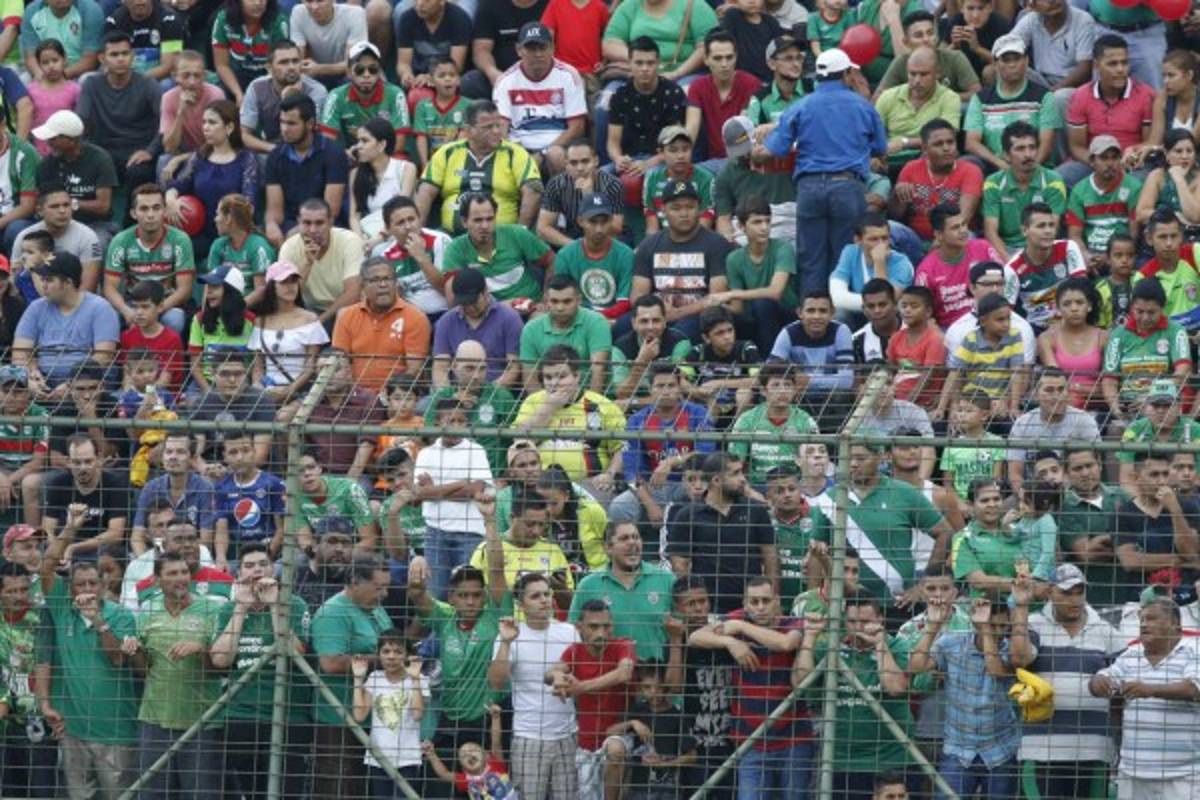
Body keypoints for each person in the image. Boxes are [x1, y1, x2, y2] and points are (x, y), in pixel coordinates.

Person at [763, 48, 888, 294]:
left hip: (809, 188)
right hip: (847, 187)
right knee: (847, 260)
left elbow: (777, 148)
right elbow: (880, 147)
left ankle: (812, 318)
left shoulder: (801, 105)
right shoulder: (862, 106)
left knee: (811, 262)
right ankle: (843, 324)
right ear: (846, 74)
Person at [407, 496, 512, 782]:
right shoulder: (444, 618)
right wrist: (416, 565)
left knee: (489, 790)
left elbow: (497, 569)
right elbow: (418, 595)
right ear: (452, 597)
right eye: (463, 595)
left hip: (487, 720)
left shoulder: (494, 615)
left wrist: (490, 520)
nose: (470, 601)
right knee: (443, 786)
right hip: (451, 719)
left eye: (476, 595)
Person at [36, 508, 138, 800]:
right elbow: (46, 567)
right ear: (69, 588)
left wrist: (98, 621)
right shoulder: (61, 609)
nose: (87, 590)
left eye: (93, 583)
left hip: (116, 731)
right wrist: (69, 529)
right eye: (80, 585)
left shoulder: (120, 616)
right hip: (74, 731)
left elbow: (117, 658)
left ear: (104, 584)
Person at [908, 580, 1038, 800]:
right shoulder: (952, 643)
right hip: (957, 749)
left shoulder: (1015, 650)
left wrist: (985, 629)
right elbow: (915, 666)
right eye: (992, 625)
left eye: (1001, 626)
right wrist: (933, 625)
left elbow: (996, 670)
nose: (997, 632)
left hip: (1001, 749)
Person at [689, 576, 808, 798]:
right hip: (751, 741)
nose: (760, 607)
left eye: (766, 600)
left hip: (793, 740)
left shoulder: (792, 623)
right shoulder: (737, 620)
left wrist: (741, 627)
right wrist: (731, 642)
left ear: (777, 601)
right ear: (745, 604)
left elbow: (785, 644)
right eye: (754, 602)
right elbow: (695, 637)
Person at [122, 548, 226, 800]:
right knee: (153, 793)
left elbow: (222, 666)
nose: (181, 578)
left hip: (202, 720)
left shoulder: (213, 611)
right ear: (157, 580)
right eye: (172, 573)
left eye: (184, 572)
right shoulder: (146, 611)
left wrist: (201, 649)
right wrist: (133, 652)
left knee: (202, 795)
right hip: (156, 719)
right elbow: (143, 671)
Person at [209, 544, 310, 800]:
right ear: (239, 573)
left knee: (287, 793)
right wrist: (241, 608)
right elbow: (221, 659)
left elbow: (293, 654)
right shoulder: (228, 609)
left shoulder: (294, 604)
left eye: (263, 564)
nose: (257, 570)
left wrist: (274, 606)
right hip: (242, 716)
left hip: (288, 715)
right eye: (250, 565)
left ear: (274, 569)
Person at [791, 592, 916, 800]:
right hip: (843, 760)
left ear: (880, 619)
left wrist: (880, 646)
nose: (858, 627)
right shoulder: (830, 648)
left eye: (865, 621)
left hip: (891, 757)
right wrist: (810, 637)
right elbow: (800, 684)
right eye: (851, 621)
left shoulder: (896, 645)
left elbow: (895, 688)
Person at [1023, 563, 1121, 800]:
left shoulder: (1107, 632)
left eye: (1080, 592)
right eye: (1066, 593)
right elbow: (1019, 658)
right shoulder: (1032, 625)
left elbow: (1124, 685)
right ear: (1049, 592)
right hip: (1042, 749)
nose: (1074, 599)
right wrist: (1020, 607)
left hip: (1093, 749)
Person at [1089, 598, 1200, 800]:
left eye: (1152, 618)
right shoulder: (1131, 655)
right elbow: (1106, 677)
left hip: (1184, 775)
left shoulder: (1194, 649)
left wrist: (1150, 690)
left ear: (1175, 623)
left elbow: (1194, 689)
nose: (1144, 624)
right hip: (1132, 773)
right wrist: (1098, 681)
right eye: (1141, 619)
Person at [310, 553, 393, 800]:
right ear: (355, 582)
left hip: (373, 718)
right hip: (339, 720)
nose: (385, 594)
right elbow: (331, 662)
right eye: (379, 587)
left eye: (387, 587)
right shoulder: (333, 613)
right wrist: (387, 661)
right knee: (340, 789)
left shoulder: (375, 609)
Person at [546, 598, 636, 800]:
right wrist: (558, 678)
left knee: (615, 751)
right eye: (594, 627)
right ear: (580, 627)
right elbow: (551, 672)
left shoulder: (623, 645)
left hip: (620, 734)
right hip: (585, 744)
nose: (601, 633)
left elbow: (624, 673)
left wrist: (581, 687)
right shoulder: (574, 651)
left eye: (606, 626)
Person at [666, 452, 779, 614]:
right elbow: (680, 566)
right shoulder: (687, 515)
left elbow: (771, 558)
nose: (743, 479)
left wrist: (771, 599)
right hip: (708, 609)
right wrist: (695, 606)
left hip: (752, 608)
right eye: (735, 473)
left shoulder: (755, 511)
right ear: (716, 481)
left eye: (742, 472)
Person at [415, 99, 543, 232]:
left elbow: (533, 190)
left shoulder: (515, 154)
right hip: (451, 236)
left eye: (498, 125)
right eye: (488, 127)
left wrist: (520, 232)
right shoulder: (447, 152)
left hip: (501, 238)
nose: (496, 131)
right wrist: (418, 232)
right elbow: (425, 191)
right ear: (468, 130)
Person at [630, 179, 733, 341]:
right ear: (663, 210)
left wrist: (678, 313)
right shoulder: (648, 245)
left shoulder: (717, 244)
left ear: (699, 209)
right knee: (622, 327)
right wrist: (658, 313)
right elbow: (638, 295)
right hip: (657, 315)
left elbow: (716, 297)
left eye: (690, 207)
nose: (684, 214)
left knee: (679, 334)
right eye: (676, 208)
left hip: (698, 315)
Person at [413, 399, 494, 599]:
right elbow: (419, 493)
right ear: (438, 423)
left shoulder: (476, 451)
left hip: (470, 532)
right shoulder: (426, 453)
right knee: (436, 593)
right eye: (451, 421)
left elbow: (475, 490)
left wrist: (434, 489)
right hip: (435, 532)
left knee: (467, 592)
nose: (456, 426)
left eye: (461, 421)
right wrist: (459, 484)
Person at [512, 344, 626, 486]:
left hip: (592, 485)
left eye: (561, 377)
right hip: (541, 486)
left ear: (577, 376)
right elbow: (520, 442)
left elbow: (622, 448)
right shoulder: (533, 402)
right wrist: (549, 408)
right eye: (548, 377)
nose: (554, 383)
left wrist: (609, 474)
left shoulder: (602, 405)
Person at [12, 252, 120, 392]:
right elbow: (19, 354)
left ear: (68, 282)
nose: (43, 285)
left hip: (86, 384)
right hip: (43, 380)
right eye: (43, 279)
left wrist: (71, 385)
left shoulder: (100, 308)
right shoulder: (36, 307)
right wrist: (31, 377)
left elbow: (103, 357)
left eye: (49, 280)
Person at [165, 101, 259, 251]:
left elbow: (249, 201)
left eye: (212, 122)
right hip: (199, 232)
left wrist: (226, 223)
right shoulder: (199, 157)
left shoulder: (246, 159)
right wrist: (171, 200)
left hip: (233, 233)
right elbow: (177, 186)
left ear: (229, 127)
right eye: (204, 122)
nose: (205, 127)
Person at [493, 22, 585, 173]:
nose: (538, 54)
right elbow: (501, 129)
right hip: (519, 147)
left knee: (555, 154)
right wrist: (521, 155)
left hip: (558, 146)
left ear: (552, 48)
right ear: (518, 50)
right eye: (531, 48)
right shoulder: (505, 81)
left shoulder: (569, 75)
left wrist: (543, 153)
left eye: (543, 48)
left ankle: (561, 195)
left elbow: (577, 127)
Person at [103, 183, 195, 334]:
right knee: (110, 317)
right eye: (144, 209)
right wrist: (127, 311)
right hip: (133, 304)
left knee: (174, 320)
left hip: (166, 304)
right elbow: (109, 288)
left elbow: (185, 289)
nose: (150, 214)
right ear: (133, 213)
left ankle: (167, 358)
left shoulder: (180, 240)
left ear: (164, 211)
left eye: (156, 208)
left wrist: (156, 311)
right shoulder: (121, 241)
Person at [331, 256, 431, 392]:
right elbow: (338, 364)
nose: (383, 285)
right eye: (375, 280)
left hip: (396, 396)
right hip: (354, 395)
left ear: (396, 283)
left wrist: (387, 395)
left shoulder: (416, 317)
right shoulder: (347, 316)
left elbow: (413, 370)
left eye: (387, 279)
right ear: (363, 286)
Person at [964, 35, 1060, 173]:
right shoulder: (981, 99)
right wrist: (1000, 164)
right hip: (994, 166)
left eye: (1017, 59)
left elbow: (1046, 144)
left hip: (1035, 167)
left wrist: (1029, 169)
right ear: (995, 64)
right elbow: (971, 142)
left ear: (1026, 61)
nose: (1012, 64)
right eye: (1006, 60)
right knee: (968, 163)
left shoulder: (1044, 97)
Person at [77, 32, 161, 190]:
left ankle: (131, 215)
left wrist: (150, 151)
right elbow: (81, 120)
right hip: (103, 149)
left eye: (125, 53)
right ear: (102, 59)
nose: (120, 59)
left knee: (139, 172)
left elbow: (166, 123)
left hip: (138, 149)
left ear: (132, 56)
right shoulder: (91, 84)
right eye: (114, 54)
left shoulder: (148, 84)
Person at [263, 94, 349, 249]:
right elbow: (274, 210)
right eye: (282, 122)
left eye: (291, 123)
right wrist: (271, 225)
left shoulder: (333, 153)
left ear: (309, 124)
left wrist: (298, 232)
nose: (284, 129)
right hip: (290, 223)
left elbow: (331, 210)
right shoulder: (275, 156)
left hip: (324, 224)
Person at [1101, 277, 1191, 425]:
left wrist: (1153, 396)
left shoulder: (1176, 331)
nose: (1145, 317)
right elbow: (1109, 379)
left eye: (1151, 312)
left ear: (1162, 309)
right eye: (1139, 311)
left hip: (1164, 403)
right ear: (1131, 307)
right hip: (1128, 405)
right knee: (1115, 430)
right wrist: (1117, 412)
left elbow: (1183, 370)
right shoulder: (1118, 334)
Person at [442, 192, 553, 309]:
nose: (485, 226)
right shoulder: (455, 249)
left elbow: (552, 260)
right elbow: (453, 302)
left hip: (532, 307)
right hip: (487, 315)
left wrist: (548, 294)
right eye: (478, 220)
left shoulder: (516, 234)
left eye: (490, 219)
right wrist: (504, 307)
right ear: (464, 222)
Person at [1113, 453, 1200, 603]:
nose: (1161, 481)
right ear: (1136, 478)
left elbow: (1191, 552)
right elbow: (1131, 561)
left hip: (1187, 600)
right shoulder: (1123, 514)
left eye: (1165, 474)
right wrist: (1179, 560)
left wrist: (1174, 509)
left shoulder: (1187, 506)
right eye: (1154, 475)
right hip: (1141, 601)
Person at [351, 631, 428, 794]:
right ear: (379, 655)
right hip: (378, 757)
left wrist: (415, 679)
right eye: (386, 651)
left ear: (407, 655)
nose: (391, 657)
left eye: (398, 652)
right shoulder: (374, 678)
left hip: (408, 758)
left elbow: (417, 714)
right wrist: (358, 679)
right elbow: (359, 716)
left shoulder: (419, 679)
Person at [981, 121, 1068, 261]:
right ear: (1006, 155)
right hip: (1005, 249)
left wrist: (1028, 264)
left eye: (1032, 147)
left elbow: (1050, 230)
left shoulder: (1053, 182)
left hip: (1042, 248)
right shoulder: (993, 183)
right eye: (1020, 149)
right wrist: (1011, 264)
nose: (1028, 154)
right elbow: (991, 232)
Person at [604, 37, 687, 176]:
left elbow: (677, 146)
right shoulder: (620, 95)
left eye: (650, 63)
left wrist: (649, 163)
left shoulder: (673, 93)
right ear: (629, 63)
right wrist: (618, 159)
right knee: (601, 175)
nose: (644, 68)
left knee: (650, 176)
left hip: (662, 160)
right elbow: (613, 141)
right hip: (630, 158)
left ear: (658, 63)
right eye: (639, 63)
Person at [890, 119, 983, 243]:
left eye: (950, 142)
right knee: (891, 228)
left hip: (955, 237)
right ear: (924, 149)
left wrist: (941, 241)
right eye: (938, 144)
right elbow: (895, 216)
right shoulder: (911, 168)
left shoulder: (971, 171)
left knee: (966, 235)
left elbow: (963, 218)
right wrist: (898, 196)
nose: (946, 148)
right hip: (917, 239)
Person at [430, 266, 524, 388]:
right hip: (457, 392)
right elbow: (440, 367)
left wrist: (488, 393)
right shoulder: (446, 322)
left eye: (473, 302)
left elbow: (513, 367)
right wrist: (448, 395)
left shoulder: (509, 318)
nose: (469, 308)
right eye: (464, 303)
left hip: (497, 391)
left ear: (485, 292)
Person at [42, 433, 130, 562]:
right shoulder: (58, 483)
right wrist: (57, 551)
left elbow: (116, 535)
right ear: (68, 462)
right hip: (63, 548)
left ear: (99, 458)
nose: (83, 468)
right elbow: (47, 529)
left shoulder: (115, 484)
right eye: (77, 462)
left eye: (88, 461)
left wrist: (73, 548)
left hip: (99, 552)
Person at [277, 198, 364, 326]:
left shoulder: (350, 241)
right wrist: (308, 263)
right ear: (298, 223)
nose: (313, 230)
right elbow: (283, 296)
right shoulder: (289, 247)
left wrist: (320, 321)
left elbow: (353, 293)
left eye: (319, 223)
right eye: (307, 223)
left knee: (343, 314)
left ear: (330, 222)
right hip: (308, 311)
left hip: (345, 310)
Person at [519, 274, 611, 393]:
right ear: (546, 300)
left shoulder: (596, 322)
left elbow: (598, 370)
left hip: (588, 399)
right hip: (548, 399)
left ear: (579, 300)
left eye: (567, 301)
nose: (560, 307)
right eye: (554, 301)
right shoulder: (531, 329)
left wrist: (588, 408)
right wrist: (546, 407)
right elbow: (530, 378)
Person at [876, 47, 963, 172]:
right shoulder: (888, 96)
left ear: (937, 73)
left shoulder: (949, 98)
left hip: (929, 160)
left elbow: (946, 137)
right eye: (912, 74)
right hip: (889, 160)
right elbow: (870, 134)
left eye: (923, 74)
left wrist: (904, 143)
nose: (917, 80)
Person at [129, 434, 217, 557]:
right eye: (168, 452)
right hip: (156, 556)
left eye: (180, 452)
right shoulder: (150, 488)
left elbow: (205, 541)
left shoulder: (205, 488)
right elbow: (136, 537)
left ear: (191, 458)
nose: (173, 457)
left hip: (192, 557)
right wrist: (147, 565)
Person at [550, 193, 634, 322]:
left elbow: (625, 302)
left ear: (611, 220)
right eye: (593, 222)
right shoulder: (565, 255)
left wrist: (602, 317)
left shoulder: (625, 254)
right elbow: (563, 297)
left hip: (615, 319)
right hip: (577, 318)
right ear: (580, 221)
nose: (599, 229)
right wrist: (594, 320)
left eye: (604, 222)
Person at [684, 29, 761, 166]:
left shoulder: (751, 83)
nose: (724, 64)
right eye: (717, 58)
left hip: (743, 161)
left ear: (736, 57)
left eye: (729, 57)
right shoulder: (698, 86)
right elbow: (691, 129)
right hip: (712, 162)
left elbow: (744, 132)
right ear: (706, 60)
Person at [32, 110, 118, 230]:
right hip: (55, 223)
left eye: (53, 139)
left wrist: (70, 203)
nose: (48, 143)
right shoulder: (46, 165)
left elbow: (103, 207)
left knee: (96, 243)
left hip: (95, 224)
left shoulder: (100, 159)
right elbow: (43, 201)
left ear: (71, 140)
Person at [239, 42, 330, 155]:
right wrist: (275, 150)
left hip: (306, 153)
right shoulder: (257, 87)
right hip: (270, 151)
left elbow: (313, 134)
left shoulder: (316, 91)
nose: (291, 67)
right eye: (284, 62)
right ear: (269, 68)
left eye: (295, 61)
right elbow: (243, 135)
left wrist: (291, 98)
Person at [320, 42, 410, 155]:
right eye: (359, 70)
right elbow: (327, 141)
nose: (367, 74)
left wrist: (368, 155)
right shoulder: (336, 96)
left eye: (373, 69)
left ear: (379, 72)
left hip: (385, 156)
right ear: (348, 72)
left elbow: (399, 143)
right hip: (352, 156)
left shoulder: (396, 94)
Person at [1067, 135, 1143, 266]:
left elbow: (1134, 235)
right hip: (1092, 255)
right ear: (1092, 161)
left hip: (1123, 256)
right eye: (1103, 158)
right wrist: (1086, 257)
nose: (1110, 163)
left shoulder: (1134, 187)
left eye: (1114, 158)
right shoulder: (1079, 191)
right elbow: (1075, 236)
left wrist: (1111, 259)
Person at [600, 0, 719, 83]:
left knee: (683, 98)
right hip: (637, 73)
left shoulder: (694, 4)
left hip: (685, 73)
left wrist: (676, 73)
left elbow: (708, 46)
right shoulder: (630, 5)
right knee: (605, 103)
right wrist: (639, 59)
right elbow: (610, 44)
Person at [13, 188, 103, 292]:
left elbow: (88, 287)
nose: (62, 211)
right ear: (39, 211)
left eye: (66, 205)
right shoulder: (25, 237)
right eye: (54, 206)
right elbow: (14, 281)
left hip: (76, 300)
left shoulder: (88, 237)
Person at [536, 140, 623, 247]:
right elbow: (543, 228)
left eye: (585, 161)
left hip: (604, 233)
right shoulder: (556, 184)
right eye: (573, 163)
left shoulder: (612, 184)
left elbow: (616, 228)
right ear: (566, 164)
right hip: (572, 234)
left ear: (596, 161)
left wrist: (589, 197)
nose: (580, 168)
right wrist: (575, 247)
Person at [830, 213, 914, 317]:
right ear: (858, 240)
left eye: (885, 238)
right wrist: (869, 305)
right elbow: (837, 297)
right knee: (838, 313)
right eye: (873, 239)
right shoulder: (850, 252)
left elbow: (885, 303)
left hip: (890, 319)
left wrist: (879, 263)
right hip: (861, 313)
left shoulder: (902, 263)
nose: (881, 244)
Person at [349, 119, 418, 242]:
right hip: (367, 234)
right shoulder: (354, 174)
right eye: (358, 141)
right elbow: (354, 216)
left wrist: (376, 241)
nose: (358, 146)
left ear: (382, 145)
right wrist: (360, 242)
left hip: (399, 235)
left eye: (364, 141)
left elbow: (399, 212)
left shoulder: (406, 169)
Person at [211, 0, 292, 103]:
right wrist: (238, 94)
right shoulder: (223, 19)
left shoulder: (279, 21)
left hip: (268, 77)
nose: (258, 3)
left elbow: (281, 64)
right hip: (235, 78)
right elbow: (221, 64)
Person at [160, 50, 229, 157]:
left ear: (205, 76)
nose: (192, 82)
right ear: (175, 76)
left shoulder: (215, 95)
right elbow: (169, 147)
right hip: (184, 150)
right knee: (163, 161)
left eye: (197, 76)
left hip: (213, 153)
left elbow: (219, 141)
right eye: (186, 76)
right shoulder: (168, 98)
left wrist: (184, 158)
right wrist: (180, 112)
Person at [394, 0, 471, 94]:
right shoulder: (407, 18)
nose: (420, 4)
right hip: (418, 80)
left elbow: (457, 66)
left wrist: (431, 77)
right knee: (417, 95)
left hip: (448, 79)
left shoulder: (459, 19)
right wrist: (406, 75)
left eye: (427, 0)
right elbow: (403, 63)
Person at [288, 0, 367, 88]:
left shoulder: (355, 14)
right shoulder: (298, 12)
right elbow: (297, 58)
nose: (314, 7)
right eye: (309, 1)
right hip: (312, 76)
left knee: (358, 75)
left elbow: (353, 63)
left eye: (320, 1)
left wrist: (319, 69)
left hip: (345, 75)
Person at [19, 0, 104, 81]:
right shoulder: (32, 11)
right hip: (46, 72)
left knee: (86, 78)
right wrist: (39, 75)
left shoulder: (90, 10)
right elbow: (30, 56)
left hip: (79, 71)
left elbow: (91, 59)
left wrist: (62, 75)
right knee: (24, 79)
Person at [1135, 130, 1200, 230]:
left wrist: (1179, 181)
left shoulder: (1198, 178)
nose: (1185, 156)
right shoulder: (1157, 176)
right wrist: (1174, 216)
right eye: (1178, 151)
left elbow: (1195, 217)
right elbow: (1141, 213)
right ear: (1166, 153)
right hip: (1161, 234)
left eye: (1189, 151)